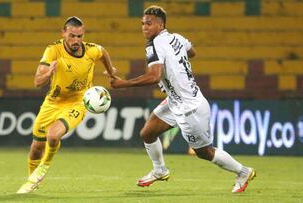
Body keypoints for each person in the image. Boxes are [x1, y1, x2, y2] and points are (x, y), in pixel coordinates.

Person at [109, 5, 256, 193]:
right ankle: (160, 170)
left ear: (161, 25)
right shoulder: (177, 38)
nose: (144, 27)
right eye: (142, 23)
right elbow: (192, 51)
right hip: (175, 101)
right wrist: (176, 63)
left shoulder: (153, 45)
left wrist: (123, 84)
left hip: (190, 108)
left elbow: (154, 76)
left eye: (149, 23)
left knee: (204, 152)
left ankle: (243, 172)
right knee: (147, 133)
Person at [17, 16, 115, 194]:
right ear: (64, 33)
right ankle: (32, 182)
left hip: (78, 102)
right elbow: (37, 81)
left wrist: (111, 71)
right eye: (72, 36)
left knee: (53, 136)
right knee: (36, 147)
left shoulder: (91, 50)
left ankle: (43, 169)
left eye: (79, 36)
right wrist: (48, 74)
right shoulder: (53, 50)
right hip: (53, 102)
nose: (76, 40)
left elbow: (103, 52)